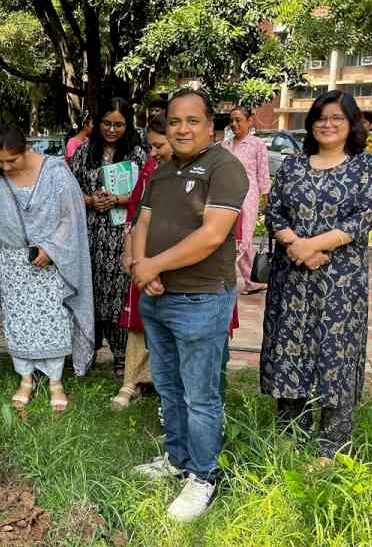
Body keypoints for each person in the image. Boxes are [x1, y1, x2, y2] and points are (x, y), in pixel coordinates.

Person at [130, 89, 248, 522]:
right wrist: (144, 268)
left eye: (191, 120)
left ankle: (203, 476)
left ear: (209, 125)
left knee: (201, 395)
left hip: (201, 298)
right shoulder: (161, 172)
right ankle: (177, 459)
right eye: (174, 121)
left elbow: (212, 235)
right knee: (168, 385)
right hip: (158, 296)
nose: (182, 128)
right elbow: (141, 223)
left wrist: (152, 266)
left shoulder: (225, 168)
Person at [261, 90, 372, 465]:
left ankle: (331, 444)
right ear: (310, 123)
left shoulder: (367, 168)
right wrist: (295, 244)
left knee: (336, 353)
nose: (327, 124)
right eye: (320, 117)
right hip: (292, 280)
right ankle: (290, 432)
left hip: (340, 282)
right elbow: (275, 212)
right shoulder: (294, 165)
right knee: (290, 349)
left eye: (336, 118)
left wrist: (311, 245)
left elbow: (362, 219)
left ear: (351, 124)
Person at [0, 126, 94, 412]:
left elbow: (71, 217)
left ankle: (55, 381)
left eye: (11, 161)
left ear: (26, 149)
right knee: (18, 320)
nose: (4, 167)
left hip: (51, 261)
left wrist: (51, 249)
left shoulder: (55, 172)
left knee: (53, 318)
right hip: (12, 262)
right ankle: (25, 378)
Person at [70, 97, 147, 378]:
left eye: (118, 125)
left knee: (119, 293)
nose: (112, 130)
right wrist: (90, 200)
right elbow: (67, 192)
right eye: (106, 123)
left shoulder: (138, 154)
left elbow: (147, 194)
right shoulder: (82, 154)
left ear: (128, 125)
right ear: (96, 121)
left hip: (122, 237)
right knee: (89, 292)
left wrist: (118, 199)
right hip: (89, 236)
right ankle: (86, 350)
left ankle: (121, 356)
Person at [112, 115, 172, 410]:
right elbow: (135, 209)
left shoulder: (201, 171)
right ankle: (132, 380)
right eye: (151, 146)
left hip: (177, 257)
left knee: (172, 322)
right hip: (143, 252)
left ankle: (166, 385)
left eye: (158, 145)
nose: (152, 153)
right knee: (139, 319)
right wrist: (129, 251)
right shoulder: (151, 167)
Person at [222, 106, 271, 295]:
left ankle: (221, 275)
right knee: (232, 238)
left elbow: (263, 175)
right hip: (226, 197)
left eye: (238, 120)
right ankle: (253, 281)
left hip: (248, 198)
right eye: (231, 120)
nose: (234, 124)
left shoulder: (257, 145)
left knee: (243, 239)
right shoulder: (224, 145)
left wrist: (267, 202)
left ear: (250, 121)